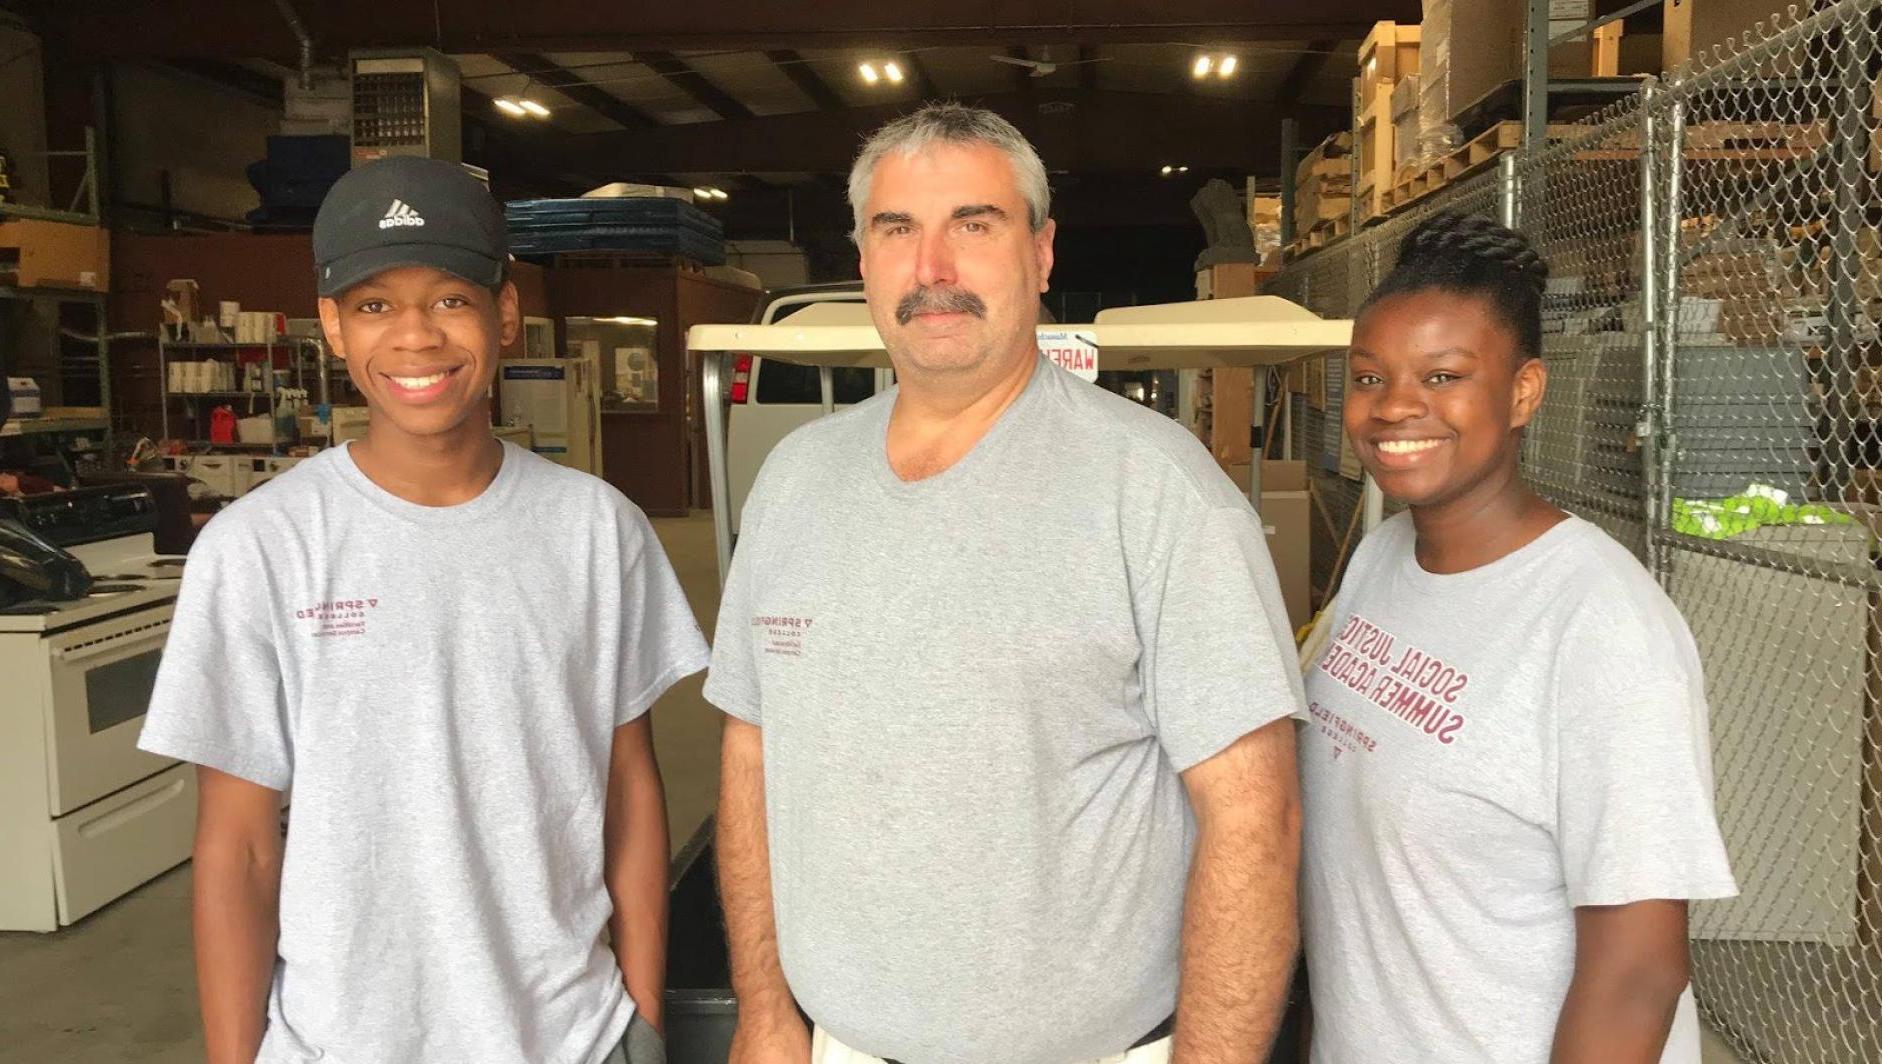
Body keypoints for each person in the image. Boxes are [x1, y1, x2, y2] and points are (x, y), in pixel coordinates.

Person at [704, 102, 1304, 1064]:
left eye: (974, 225)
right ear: (862, 259)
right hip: (839, 1045)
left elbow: (1255, 818)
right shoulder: (795, 481)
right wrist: (768, 1012)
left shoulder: (1155, 489)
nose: (932, 268)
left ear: (1042, 253)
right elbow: (749, 753)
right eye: (898, 229)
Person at [137, 156, 703, 1064]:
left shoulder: (598, 530)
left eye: (449, 299)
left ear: (505, 313)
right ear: (329, 326)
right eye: (373, 306)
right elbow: (238, 847)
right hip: (339, 1041)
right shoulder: (259, 548)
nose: (415, 339)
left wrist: (642, 1013)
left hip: (572, 1037)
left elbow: (629, 788)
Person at [1298, 212, 1737, 1063]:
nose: (1394, 407)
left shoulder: (1603, 628)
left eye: (1443, 375)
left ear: (1525, 391)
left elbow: (1639, 973)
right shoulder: (1382, 561)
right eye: (1367, 376)